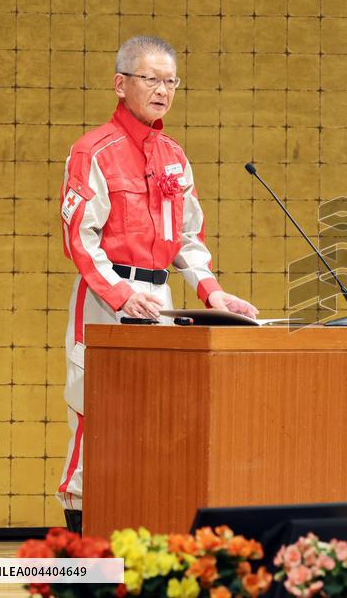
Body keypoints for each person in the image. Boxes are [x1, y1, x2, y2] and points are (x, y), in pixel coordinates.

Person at [57, 36, 259, 532]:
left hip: (161, 301)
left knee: (157, 422)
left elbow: (189, 237)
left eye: (170, 81)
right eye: (151, 79)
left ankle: (142, 536)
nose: (163, 90)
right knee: (96, 419)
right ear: (120, 83)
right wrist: (123, 296)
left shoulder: (173, 155)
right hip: (106, 302)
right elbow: (79, 240)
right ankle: (80, 551)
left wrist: (213, 292)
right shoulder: (93, 152)